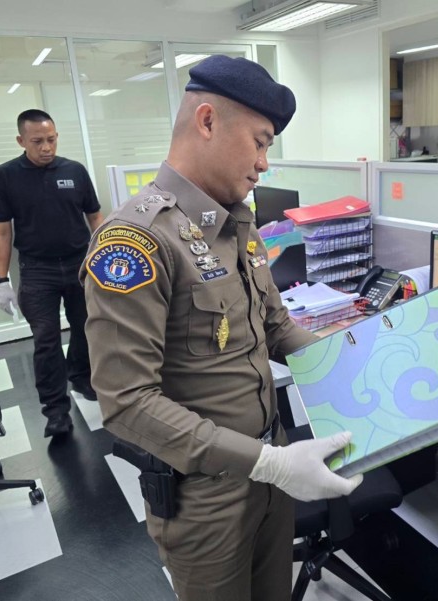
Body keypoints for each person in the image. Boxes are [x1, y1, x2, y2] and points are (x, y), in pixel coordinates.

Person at [82, 55, 362, 601]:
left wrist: (355, 358)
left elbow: (275, 327)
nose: (263, 164)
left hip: (274, 469)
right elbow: (126, 402)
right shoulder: (136, 241)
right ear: (207, 121)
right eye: (259, 143)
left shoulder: (236, 221)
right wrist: (270, 464)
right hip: (206, 496)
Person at [0, 109, 104, 438]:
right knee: (46, 339)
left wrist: (103, 255)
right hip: (37, 270)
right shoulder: (5, 176)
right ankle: (55, 410)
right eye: (37, 141)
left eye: (51, 139)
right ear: (21, 141)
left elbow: (95, 217)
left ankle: (81, 375)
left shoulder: (74, 171)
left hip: (80, 263)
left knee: (86, 328)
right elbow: (1, 231)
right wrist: (1, 280)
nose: (46, 147)